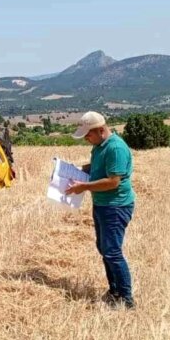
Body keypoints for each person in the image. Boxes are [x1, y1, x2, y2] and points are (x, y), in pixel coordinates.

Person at [65, 111, 136, 309]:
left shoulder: (115, 148)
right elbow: (97, 166)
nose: (86, 139)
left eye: (88, 134)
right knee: (103, 248)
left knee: (112, 251)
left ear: (101, 130)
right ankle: (114, 290)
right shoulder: (99, 146)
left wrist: (83, 187)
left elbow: (113, 181)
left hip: (116, 205)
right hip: (102, 204)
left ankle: (126, 298)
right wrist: (75, 170)